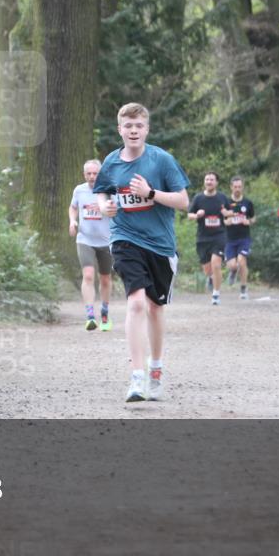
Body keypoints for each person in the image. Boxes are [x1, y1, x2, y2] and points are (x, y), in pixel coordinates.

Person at [93, 103, 189, 402]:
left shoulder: (162, 160)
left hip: (160, 245)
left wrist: (150, 193)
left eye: (138, 126)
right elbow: (102, 191)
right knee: (135, 303)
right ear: (119, 129)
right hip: (125, 239)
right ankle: (137, 376)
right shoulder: (111, 162)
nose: (133, 131)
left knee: (155, 308)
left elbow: (183, 201)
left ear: (146, 129)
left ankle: (155, 368)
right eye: (128, 126)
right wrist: (104, 206)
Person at [69, 159, 114, 331]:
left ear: (100, 174)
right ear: (84, 174)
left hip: (106, 241)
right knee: (88, 275)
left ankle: (105, 312)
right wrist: (72, 221)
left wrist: (110, 208)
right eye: (89, 173)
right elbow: (73, 207)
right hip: (85, 239)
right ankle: (90, 316)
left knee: (105, 278)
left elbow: (117, 210)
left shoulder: (109, 190)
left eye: (95, 173)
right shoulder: (79, 190)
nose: (92, 176)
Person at [188, 172, 230, 305]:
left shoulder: (222, 197)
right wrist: (197, 215)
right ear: (204, 182)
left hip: (219, 236)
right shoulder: (198, 198)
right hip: (202, 238)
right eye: (207, 179)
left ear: (216, 182)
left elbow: (230, 213)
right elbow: (189, 215)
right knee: (207, 269)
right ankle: (211, 278)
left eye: (212, 180)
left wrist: (227, 213)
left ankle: (216, 294)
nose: (209, 182)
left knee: (216, 264)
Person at [223, 175, 255, 300]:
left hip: (244, 238)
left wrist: (249, 221)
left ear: (242, 187)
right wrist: (226, 222)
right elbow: (221, 219)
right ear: (231, 187)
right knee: (232, 265)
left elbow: (253, 218)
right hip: (229, 239)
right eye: (235, 187)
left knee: (242, 261)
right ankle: (233, 271)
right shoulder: (226, 202)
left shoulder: (248, 203)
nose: (237, 189)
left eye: (239, 187)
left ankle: (243, 288)